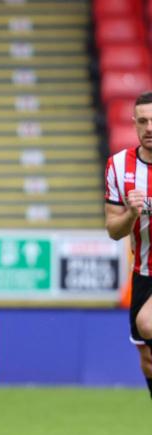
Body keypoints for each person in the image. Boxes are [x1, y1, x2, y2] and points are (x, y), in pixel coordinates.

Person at [105, 91, 152, 398]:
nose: (150, 128)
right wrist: (131, 213)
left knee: (147, 323)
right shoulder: (119, 166)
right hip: (144, 272)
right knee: (148, 360)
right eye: (144, 121)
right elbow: (113, 229)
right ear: (134, 124)